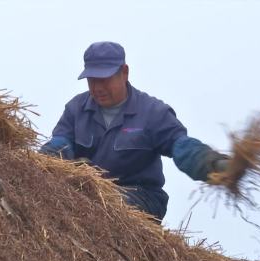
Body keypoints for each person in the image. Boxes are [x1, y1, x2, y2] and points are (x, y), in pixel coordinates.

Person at [40, 41, 228, 221]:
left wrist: (213, 165)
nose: (97, 88)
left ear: (124, 72)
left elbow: (182, 147)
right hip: (87, 191)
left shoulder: (152, 112)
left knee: (100, 202)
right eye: (92, 80)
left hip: (141, 197)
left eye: (104, 80)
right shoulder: (76, 109)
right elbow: (59, 144)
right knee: (75, 198)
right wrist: (37, 163)